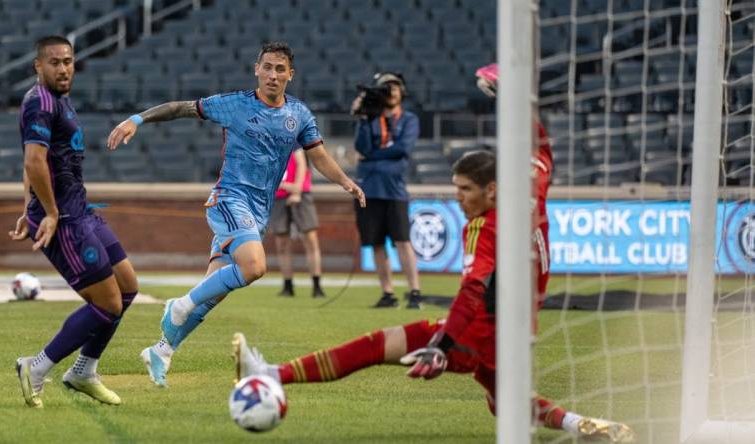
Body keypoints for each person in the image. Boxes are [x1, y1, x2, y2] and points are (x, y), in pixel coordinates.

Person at [234, 69, 635, 439]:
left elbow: (472, 290)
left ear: (491, 191)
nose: (458, 199)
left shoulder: (485, 226)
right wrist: (512, 100)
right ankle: (579, 424)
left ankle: (271, 373)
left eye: (464, 190)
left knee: (376, 345)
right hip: (517, 330)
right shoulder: (533, 189)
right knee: (503, 402)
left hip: (479, 331)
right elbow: (542, 149)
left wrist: (442, 345)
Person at [106, 42, 365, 387]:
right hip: (229, 200)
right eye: (267, 67)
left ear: (291, 74)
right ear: (256, 69)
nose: (273, 75)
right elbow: (180, 108)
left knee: (212, 293)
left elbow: (318, 157)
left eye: (280, 69)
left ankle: (162, 350)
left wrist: (346, 181)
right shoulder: (234, 105)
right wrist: (136, 119)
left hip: (258, 212)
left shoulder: (299, 115)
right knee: (255, 266)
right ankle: (177, 304)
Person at [11, 36, 139, 408]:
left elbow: (35, 163)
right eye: (54, 62)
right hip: (64, 220)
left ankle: (83, 370)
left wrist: (27, 207)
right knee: (108, 303)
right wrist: (46, 213)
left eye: (68, 61)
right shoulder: (40, 102)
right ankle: (36, 367)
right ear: (38, 66)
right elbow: (34, 162)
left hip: (79, 211)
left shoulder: (58, 100)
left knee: (128, 287)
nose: (63, 68)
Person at [352, 72, 421, 309]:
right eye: (385, 87)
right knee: (377, 243)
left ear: (402, 91)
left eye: (394, 87)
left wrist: (371, 156)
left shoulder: (409, 119)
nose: (390, 91)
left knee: (403, 241)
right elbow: (360, 146)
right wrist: (362, 117)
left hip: (395, 190)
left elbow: (402, 149)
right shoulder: (371, 118)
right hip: (369, 189)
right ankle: (388, 293)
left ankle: (414, 292)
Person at [269, 148, 326, 297]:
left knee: (310, 239)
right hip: (278, 196)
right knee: (281, 243)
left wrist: (297, 190)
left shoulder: (294, 135)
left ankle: (316, 285)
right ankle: (287, 285)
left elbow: (301, 164)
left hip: (301, 194)